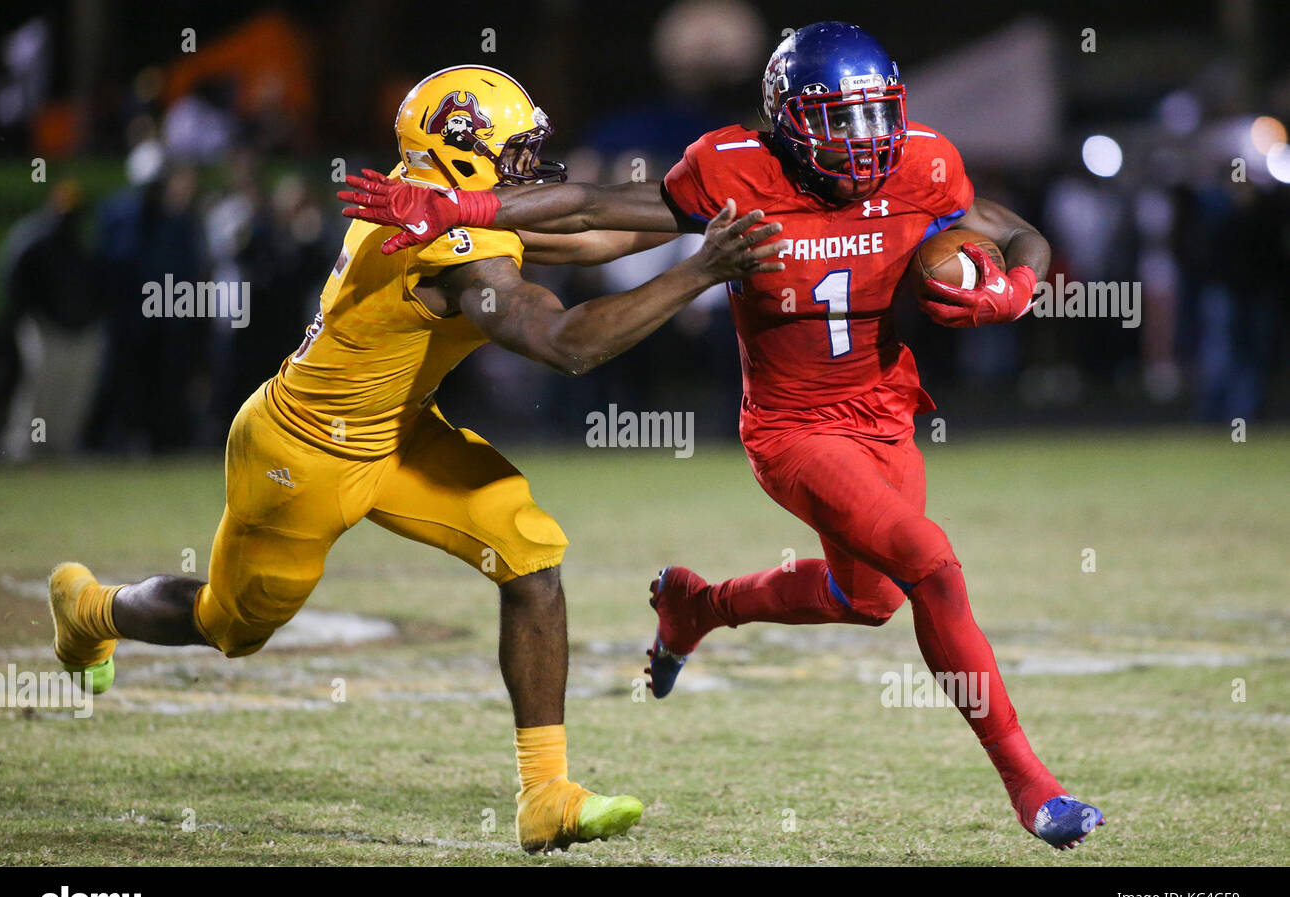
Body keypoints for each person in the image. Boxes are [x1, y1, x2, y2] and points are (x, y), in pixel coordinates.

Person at [341, 25, 1105, 851]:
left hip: (885, 413)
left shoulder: (922, 160)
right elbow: (600, 206)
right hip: (792, 428)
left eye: (874, 116)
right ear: (785, 118)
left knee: (874, 599)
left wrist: (1015, 289)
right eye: (837, 120)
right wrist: (460, 207)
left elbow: (1019, 231)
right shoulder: (733, 165)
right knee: (931, 565)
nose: (863, 140)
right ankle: (1035, 787)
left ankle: (697, 607)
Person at [48, 65, 782, 853]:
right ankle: (90, 610)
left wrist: (721, 213)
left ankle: (546, 793)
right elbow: (567, 345)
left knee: (531, 554)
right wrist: (700, 270)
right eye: (513, 152)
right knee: (230, 626)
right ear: (458, 159)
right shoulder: (451, 248)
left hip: (401, 431)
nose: (529, 167)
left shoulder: (429, 197)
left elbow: (594, 230)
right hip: (304, 453)